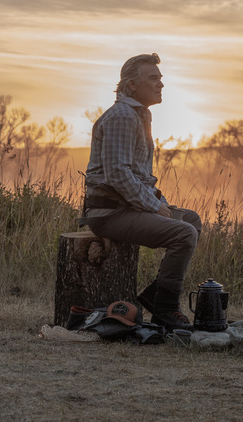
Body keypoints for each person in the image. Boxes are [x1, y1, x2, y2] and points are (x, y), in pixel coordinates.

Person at [80, 53, 201, 332]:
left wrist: (161, 203)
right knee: (184, 233)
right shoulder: (122, 116)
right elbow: (118, 175)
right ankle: (166, 307)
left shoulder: (139, 114)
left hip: (128, 208)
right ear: (132, 84)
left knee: (190, 220)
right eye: (153, 78)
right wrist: (153, 207)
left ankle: (155, 295)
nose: (160, 84)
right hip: (109, 213)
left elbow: (141, 177)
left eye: (160, 79)